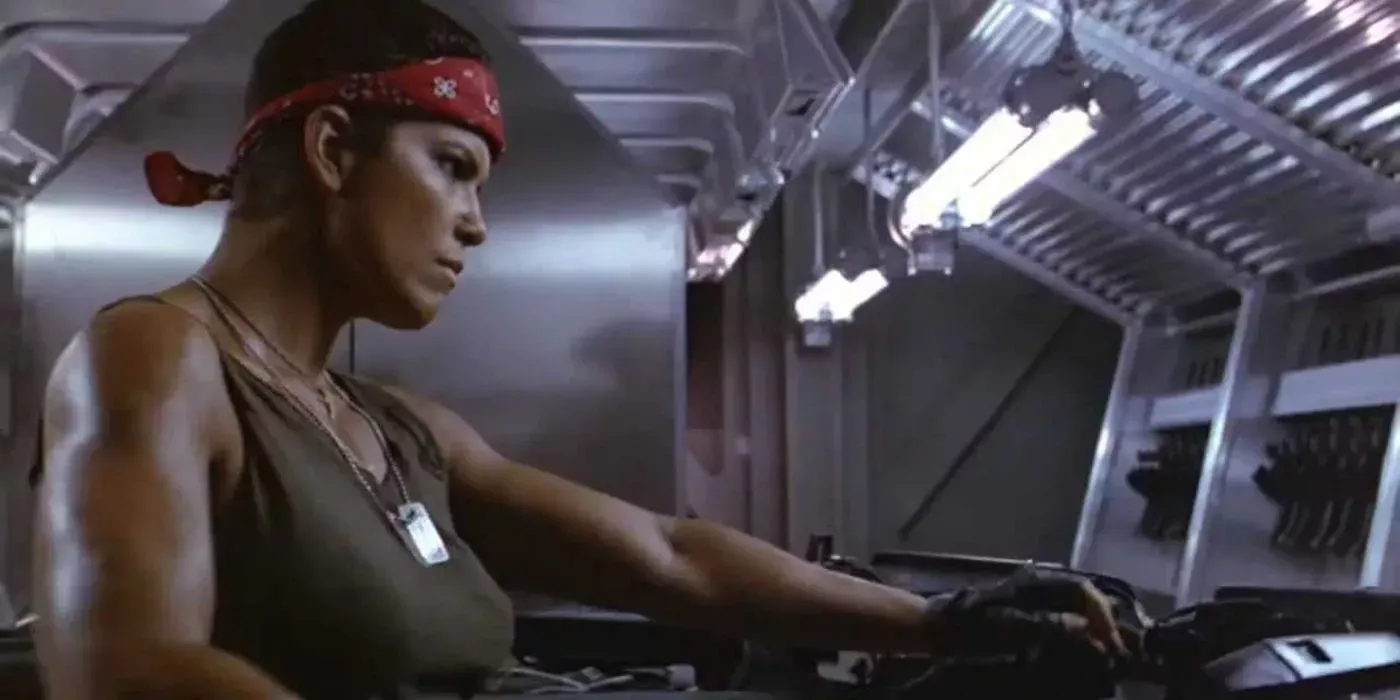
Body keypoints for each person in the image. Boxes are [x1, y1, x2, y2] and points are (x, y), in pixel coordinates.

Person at [29, 0, 1127, 698]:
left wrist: (934, 623)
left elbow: (671, 557)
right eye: (453, 167)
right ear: (331, 150)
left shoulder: (395, 428)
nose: (475, 224)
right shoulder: (155, 356)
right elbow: (131, 670)